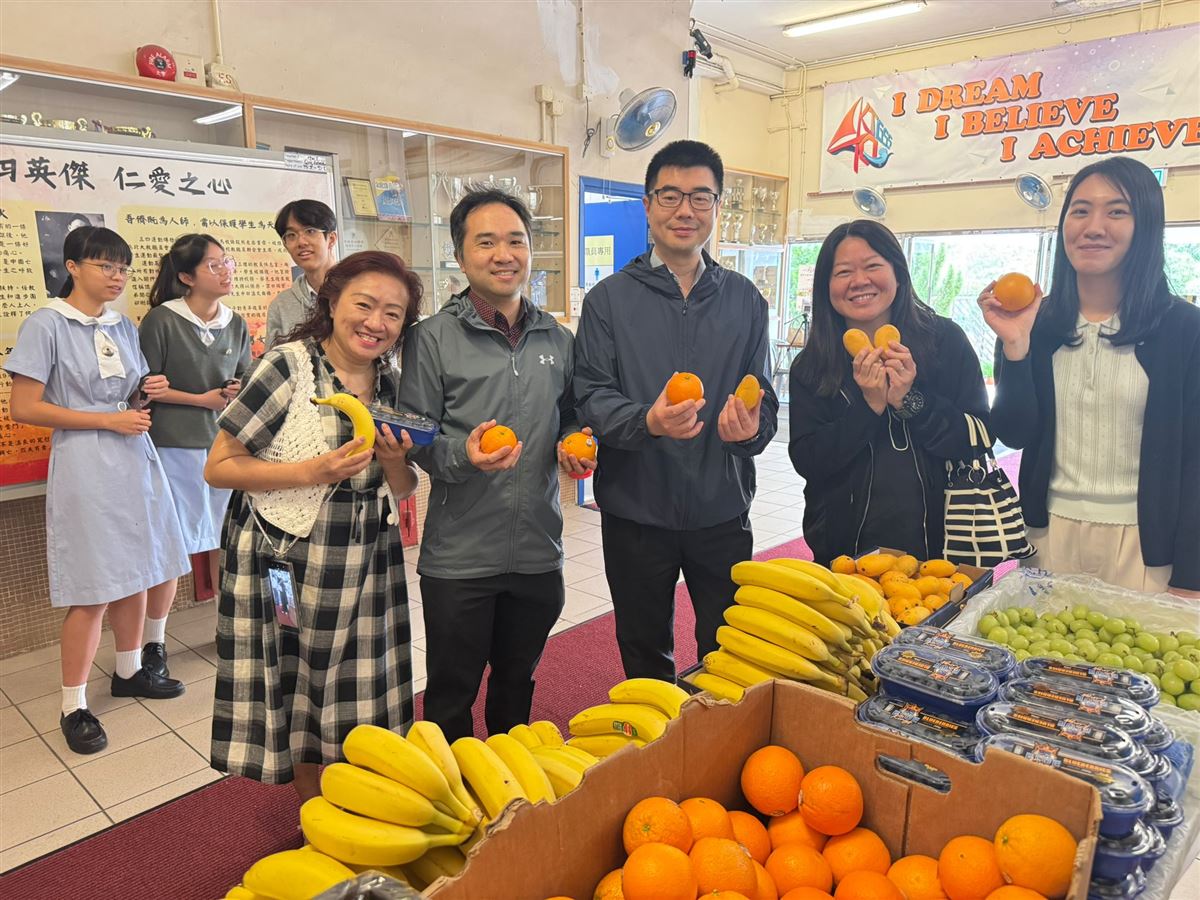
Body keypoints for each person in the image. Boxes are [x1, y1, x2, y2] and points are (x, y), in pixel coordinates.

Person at [204, 250, 421, 799]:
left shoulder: (391, 381)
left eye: (393, 313)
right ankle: (313, 807)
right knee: (297, 678)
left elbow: (400, 487)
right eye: (364, 305)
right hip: (284, 559)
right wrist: (312, 470)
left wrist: (395, 462)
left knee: (363, 681)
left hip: (367, 558)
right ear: (332, 301)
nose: (376, 323)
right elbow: (219, 467)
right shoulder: (289, 366)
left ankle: (361, 797)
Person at [573, 139, 779, 682]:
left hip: (721, 507)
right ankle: (657, 729)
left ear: (716, 206)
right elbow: (590, 395)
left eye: (700, 197)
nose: (684, 210)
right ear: (647, 205)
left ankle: (721, 730)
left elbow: (764, 395)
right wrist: (648, 421)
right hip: (636, 508)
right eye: (670, 196)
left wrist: (749, 432)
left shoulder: (745, 300)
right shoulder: (608, 300)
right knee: (643, 645)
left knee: (728, 644)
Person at [398, 188, 589, 741]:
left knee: (516, 684)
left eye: (516, 241)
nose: (504, 255)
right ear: (461, 257)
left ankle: (509, 784)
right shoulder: (431, 338)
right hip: (460, 558)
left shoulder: (557, 338)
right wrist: (466, 455)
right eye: (486, 243)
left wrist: (575, 444)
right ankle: (452, 789)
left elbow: (572, 415)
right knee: (451, 692)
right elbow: (417, 438)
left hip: (538, 549)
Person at [5, 226, 188, 755]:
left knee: (138, 568)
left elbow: (126, 394)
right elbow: (25, 407)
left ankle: (129, 671)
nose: (116, 277)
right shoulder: (46, 324)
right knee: (92, 586)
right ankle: (73, 705)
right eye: (105, 266)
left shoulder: (121, 324)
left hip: (134, 454)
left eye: (122, 268)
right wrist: (107, 420)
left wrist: (145, 391)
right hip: (86, 463)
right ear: (72, 267)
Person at [983, 157, 1199, 597]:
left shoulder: (1184, 328)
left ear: (1146, 225)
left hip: (1147, 546)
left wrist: (1192, 576)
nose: (1093, 227)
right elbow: (1014, 433)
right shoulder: (1035, 322)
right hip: (1047, 537)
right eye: (1080, 211)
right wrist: (1016, 347)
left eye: (1116, 211)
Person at [788, 220, 988, 567]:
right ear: (826, 286)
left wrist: (909, 400)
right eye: (843, 272)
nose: (859, 281)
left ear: (898, 273)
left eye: (872, 266)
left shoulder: (945, 341)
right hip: (846, 553)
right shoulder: (812, 365)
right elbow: (809, 461)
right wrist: (868, 407)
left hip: (943, 547)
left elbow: (977, 438)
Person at [139, 234, 251, 676]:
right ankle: (153, 643)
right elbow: (145, 389)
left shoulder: (235, 322)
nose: (226, 271)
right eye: (214, 265)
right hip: (173, 445)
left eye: (227, 261)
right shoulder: (162, 320)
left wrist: (236, 388)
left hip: (226, 445)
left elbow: (243, 376)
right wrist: (200, 400)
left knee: (230, 538)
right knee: (172, 542)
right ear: (186, 277)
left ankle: (229, 626)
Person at [266, 199, 338, 347]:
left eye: (310, 231)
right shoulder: (281, 305)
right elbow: (273, 358)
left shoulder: (359, 290)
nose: (301, 242)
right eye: (291, 235)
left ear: (331, 239)